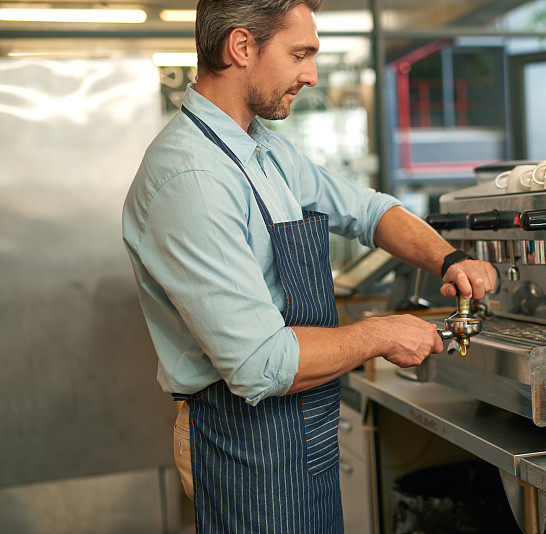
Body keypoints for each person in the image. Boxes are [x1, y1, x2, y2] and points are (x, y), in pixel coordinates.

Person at [121, 0, 497, 531]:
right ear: (243, 47)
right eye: (300, 54)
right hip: (245, 449)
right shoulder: (192, 181)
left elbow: (366, 210)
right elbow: (259, 362)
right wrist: (380, 334)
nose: (312, 75)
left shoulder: (261, 150)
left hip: (302, 431)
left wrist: (449, 256)